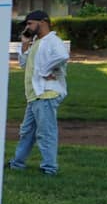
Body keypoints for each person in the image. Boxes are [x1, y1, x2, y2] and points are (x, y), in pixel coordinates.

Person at [10, 10, 69, 176]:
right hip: (34, 95)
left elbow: (63, 55)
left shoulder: (52, 40)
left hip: (46, 94)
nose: (27, 27)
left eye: (30, 23)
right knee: (27, 132)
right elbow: (23, 64)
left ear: (42, 22)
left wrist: (44, 70)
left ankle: (49, 168)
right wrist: (24, 44)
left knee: (46, 132)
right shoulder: (36, 42)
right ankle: (17, 163)